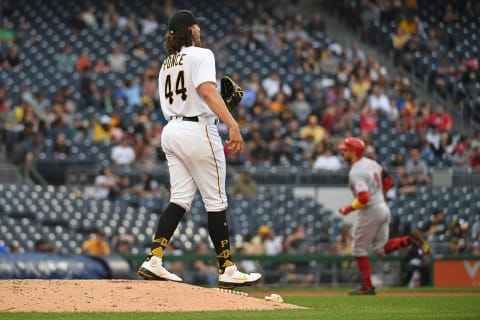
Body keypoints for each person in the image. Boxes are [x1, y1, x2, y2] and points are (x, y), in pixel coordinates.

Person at [137, 10, 261, 288]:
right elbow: (206, 91)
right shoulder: (201, 54)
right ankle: (227, 268)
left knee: (180, 199)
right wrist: (231, 122)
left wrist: (217, 109)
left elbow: (194, 97)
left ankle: (154, 259)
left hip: (171, 131)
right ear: (189, 30)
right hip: (198, 131)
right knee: (216, 201)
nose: (198, 29)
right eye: (195, 26)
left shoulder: (166, 63)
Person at [337, 137, 429, 295]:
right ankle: (410, 239)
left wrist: (348, 208)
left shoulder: (356, 171)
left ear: (353, 152)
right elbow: (389, 181)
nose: (342, 151)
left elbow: (364, 198)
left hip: (370, 210)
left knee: (358, 250)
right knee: (380, 250)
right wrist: (381, 197)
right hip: (383, 207)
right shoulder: (372, 163)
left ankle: (367, 287)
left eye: (345, 149)